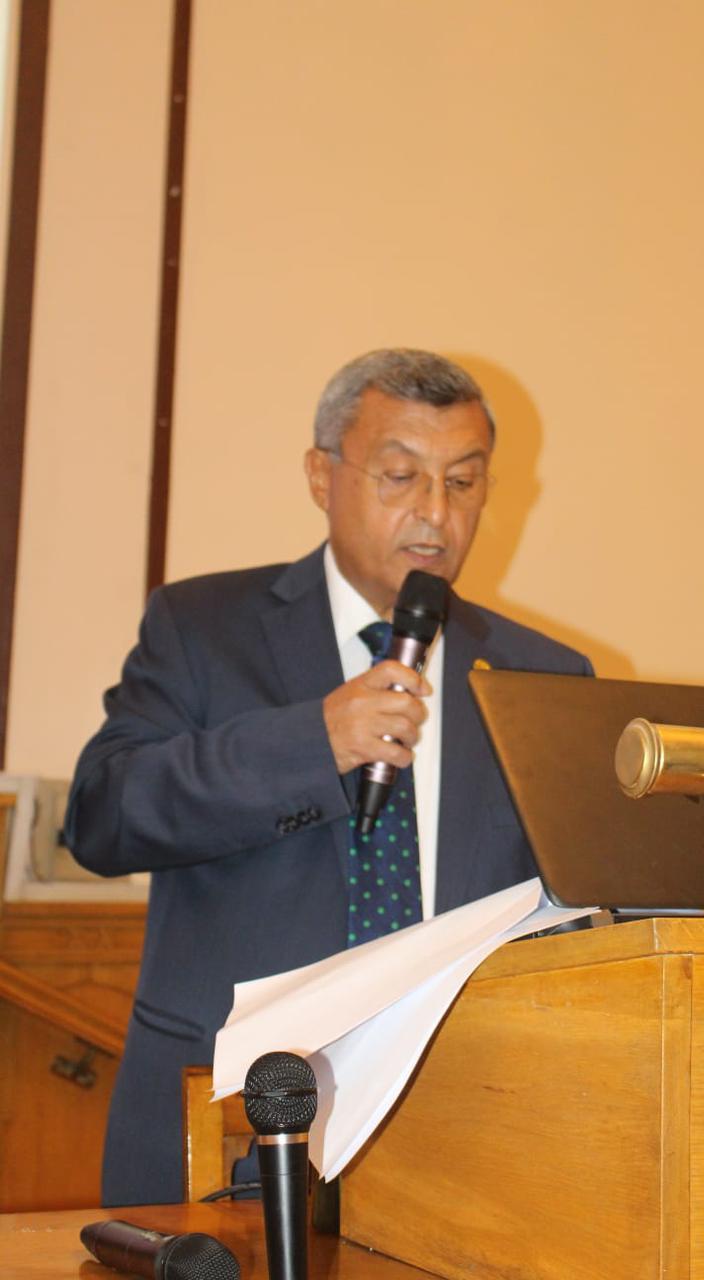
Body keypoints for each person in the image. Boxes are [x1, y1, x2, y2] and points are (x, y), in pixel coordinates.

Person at [65, 349, 593, 1206]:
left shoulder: (545, 677)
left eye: (463, 482)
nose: (435, 513)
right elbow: (102, 817)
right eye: (401, 476)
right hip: (227, 1117)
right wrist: (312, 743)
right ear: (322, 475)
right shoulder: (201, 628)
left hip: (462, 1134)